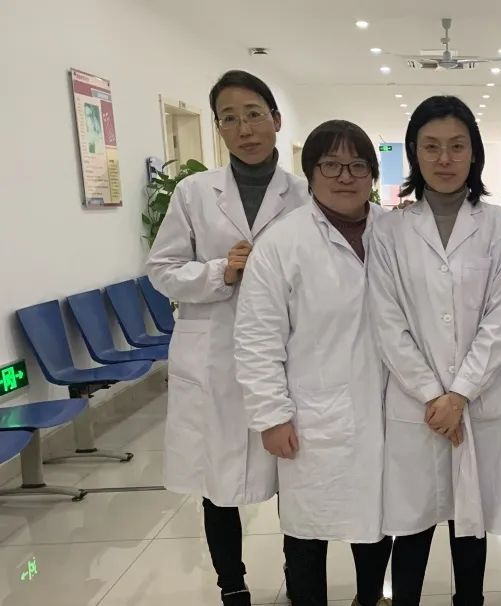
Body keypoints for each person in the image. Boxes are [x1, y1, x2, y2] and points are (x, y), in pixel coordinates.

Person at [146, 70, 308, 606]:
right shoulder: (194, 193)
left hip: (288, 355)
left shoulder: (304, 193)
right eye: (230, 119)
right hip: (214, 355)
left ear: (275, 120)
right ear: (218, 128)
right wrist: (222, 271)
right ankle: (232, 585)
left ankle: (299, 580)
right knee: (217, 483)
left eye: (254, 114)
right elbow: (162, 269)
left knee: (293, 480)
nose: (245, 129)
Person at [369, 95, 501, 606]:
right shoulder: (389, 230)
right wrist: (434, 395)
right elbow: (387, 320)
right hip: (416, 404)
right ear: (414, 152)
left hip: (475, 401)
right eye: (431, 146)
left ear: (474, 153)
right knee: (411, 527)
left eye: (457, 146)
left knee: (470, 527)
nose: (444, 158)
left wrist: (459, 394)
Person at [233, 120, 392, 606]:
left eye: (357, 165)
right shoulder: (283, 243)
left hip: (386, 408)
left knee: (378, 521)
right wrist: (271, 416)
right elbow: (257, 339)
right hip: (310, 414)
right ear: (311, 173)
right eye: (331, 165)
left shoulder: (394, 231)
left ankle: (371, 598)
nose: (345, 176)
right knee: (306, 531)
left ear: (372, 174)